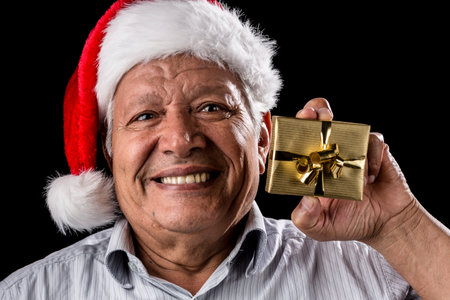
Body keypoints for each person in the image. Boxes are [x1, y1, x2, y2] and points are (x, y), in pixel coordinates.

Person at [1, 0, 449, 299]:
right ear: (109, 149)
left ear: (262, 139)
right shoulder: (29, 293)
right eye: (145, 116)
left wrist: (398, 225)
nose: (180, 139)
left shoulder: (375, 270)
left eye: (212, 107)